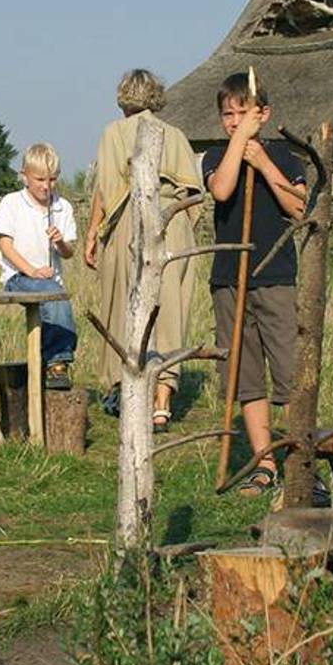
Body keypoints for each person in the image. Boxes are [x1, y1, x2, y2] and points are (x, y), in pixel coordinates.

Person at [202, 73, 305, 496]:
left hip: (274, 273)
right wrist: (236, 146)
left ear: (264, 114)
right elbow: (222, 190)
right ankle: (265, 463)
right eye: (228, 114)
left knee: (289, 373)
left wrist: (262, 162)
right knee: (246, 376)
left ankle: (301, 461)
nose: (235, 121)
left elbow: (299, 208)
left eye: (243, 113)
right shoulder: (213, 155)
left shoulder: (286, 155)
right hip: (230, 278)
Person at [84, 69, 203, 429]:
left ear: (123, 98)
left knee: (125, 307)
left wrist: (94, 233)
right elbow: (194, 198)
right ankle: (162, 403)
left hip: (130, 225)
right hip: (173, 225)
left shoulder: (113, 133)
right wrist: (180, 228)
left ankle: (128, 391)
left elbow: (107, 188)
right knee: (169, 311)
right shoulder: (177, 136)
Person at [0, 143, 77, 389]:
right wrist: (33, 271)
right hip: (19, 276)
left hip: (51, 282)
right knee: (52, 293)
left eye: (52, 179)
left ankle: (47, 365)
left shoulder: (63, 207)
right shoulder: (11, 203)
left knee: (55, 296)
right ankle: (58, 362)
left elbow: (70, 252)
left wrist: (60, 243)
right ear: (25, 176)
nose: (45, 186)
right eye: (39, 179)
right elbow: (6, 246)